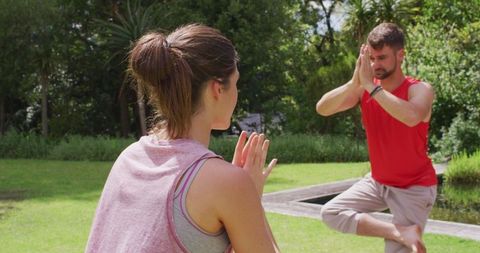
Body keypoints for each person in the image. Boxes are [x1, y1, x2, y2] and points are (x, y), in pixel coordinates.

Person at [85, 24, 280, 253]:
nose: (237, 92)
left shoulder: (129, 158)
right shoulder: (228, 183)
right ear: (217, 89)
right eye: (235, 83)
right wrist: (250, 198)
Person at [316, 23, 437, 253]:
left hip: (413, 186)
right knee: (331, 212)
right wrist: (355, 83)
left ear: (400, 55)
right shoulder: (365, 89)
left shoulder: (419, 89)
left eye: (381, 58)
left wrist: (370, 86)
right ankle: (400, 232)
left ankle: (405, 236)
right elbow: (323, 108)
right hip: (378, 182)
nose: (375, 65)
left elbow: (412, 117)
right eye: (371, 58)